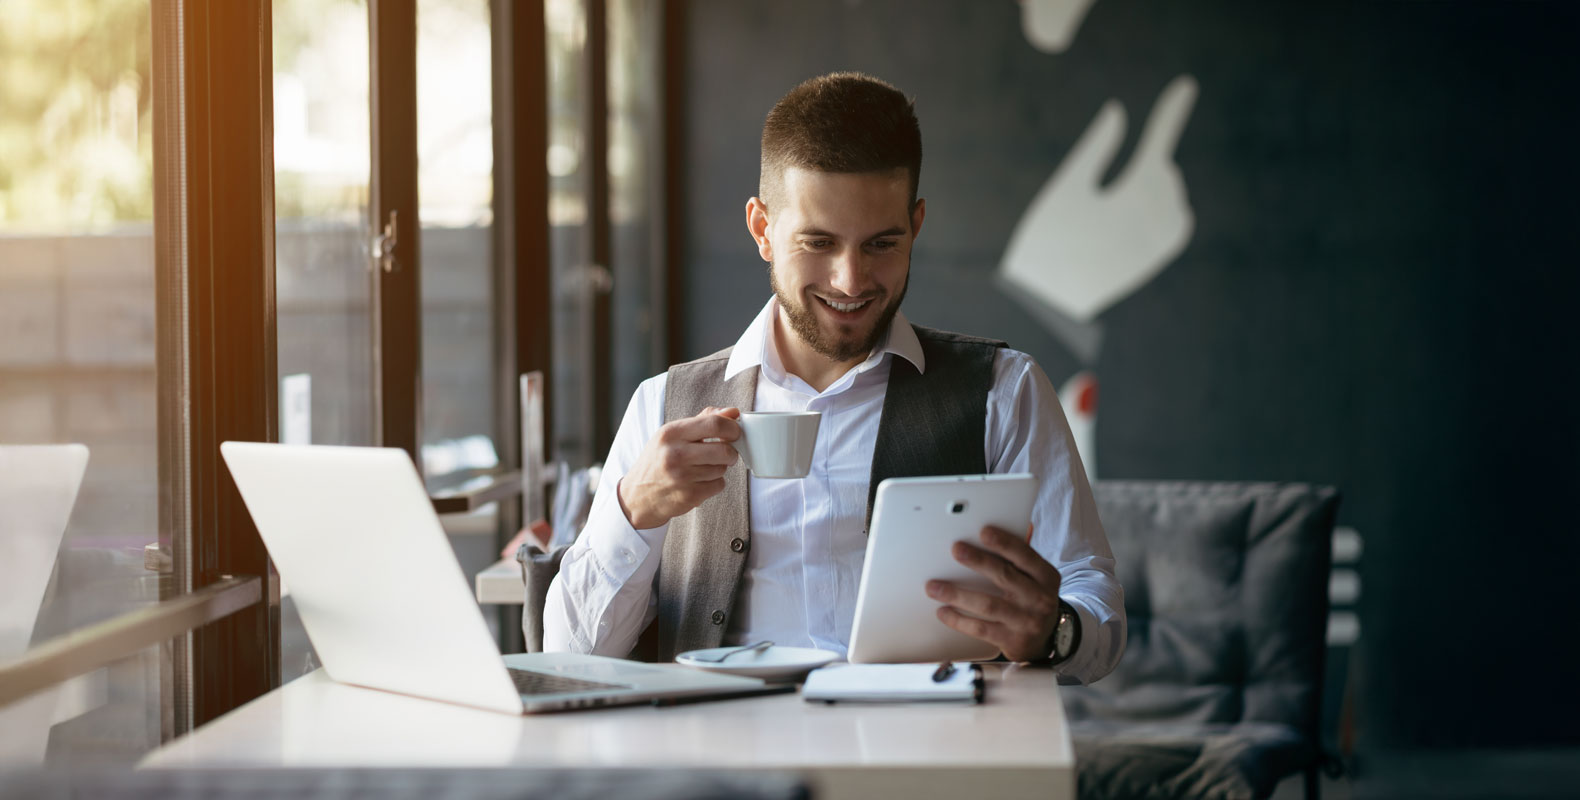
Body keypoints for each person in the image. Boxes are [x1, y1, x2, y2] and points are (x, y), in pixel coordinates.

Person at [544, 72, 1124, 684]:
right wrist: (631, 513)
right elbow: (570, 657)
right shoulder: (662, 404)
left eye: (881, 243)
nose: (850, 280)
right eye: (818, 242)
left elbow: (1097, 608)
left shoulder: (1005, 392)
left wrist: (1055, 630)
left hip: (925, 757)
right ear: (763, 229)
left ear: (917, 225)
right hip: (727, 761)